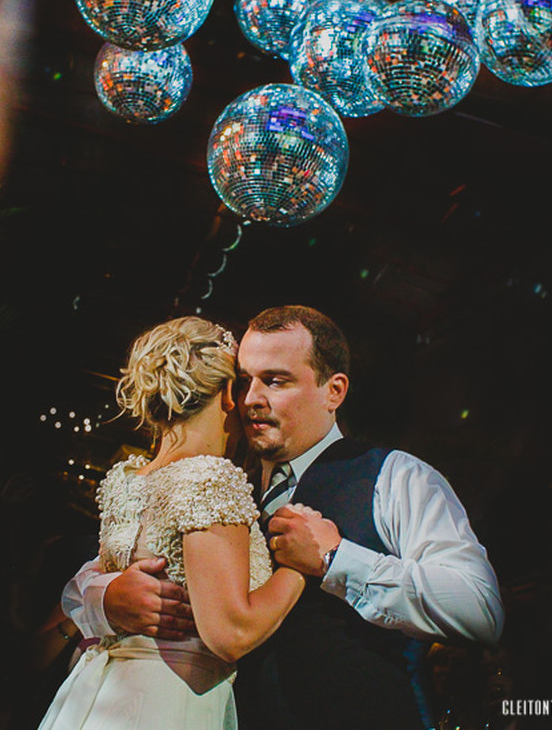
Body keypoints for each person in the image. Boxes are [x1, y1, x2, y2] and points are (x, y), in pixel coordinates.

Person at [64, 305, 504, 729]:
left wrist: (337, 559)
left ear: (333, 391)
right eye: (242, 381)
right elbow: (105, 570)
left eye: (276, 381)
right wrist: (104, 600)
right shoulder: (216, 480)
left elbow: (479, 609)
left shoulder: (395, 476)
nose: (252, 399)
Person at [40, 316, 306, 729]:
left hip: (101, 692)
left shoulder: (126, 481)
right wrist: (300, 565)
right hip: (166, 703)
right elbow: (231, 633)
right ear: (227, 396)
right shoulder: (209, 479)